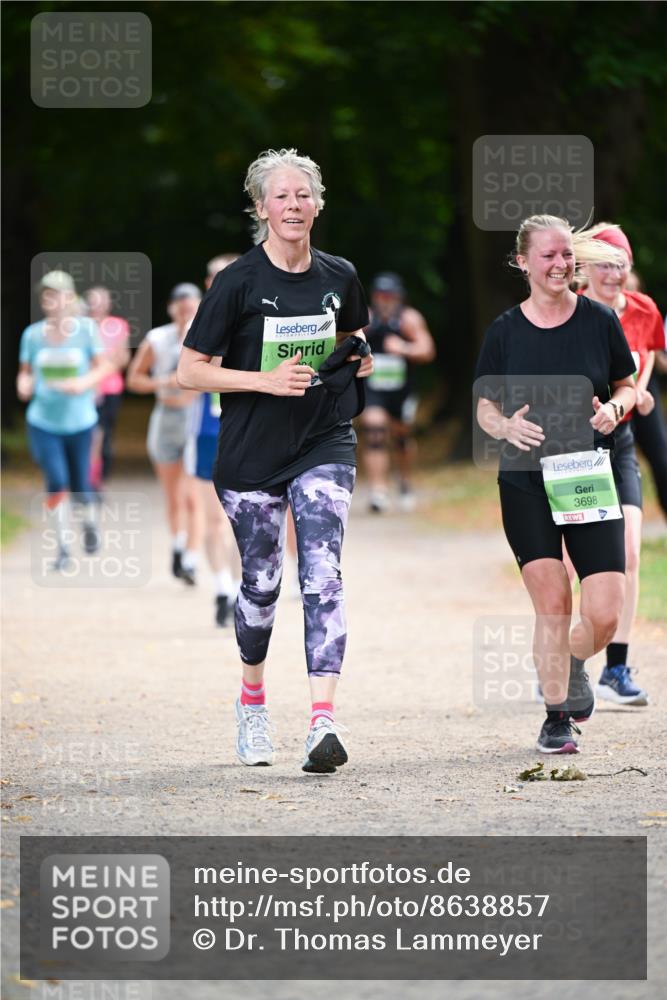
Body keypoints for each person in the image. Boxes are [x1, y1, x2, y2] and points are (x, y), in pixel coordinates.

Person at [177, 147, 372, 774]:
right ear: (261, 208)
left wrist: (356, 358)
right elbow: (188, 371)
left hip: (323, 440)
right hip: (250, 453)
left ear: (318, 204)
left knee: (322, 573)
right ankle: (253, 702)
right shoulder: (237, 282)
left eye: (303, 195)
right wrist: (264, 381)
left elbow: (350, 338)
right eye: (280, 196)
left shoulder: (340, 276)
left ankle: (322, 722)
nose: (293, 205)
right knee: (261, 585)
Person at [474, 214, 637, 755]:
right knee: (552, 601)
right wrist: (504, 426)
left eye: (566, 254)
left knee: (607, 609)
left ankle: (572, 662)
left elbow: (626, 383)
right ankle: (555, 716)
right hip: (525, 478)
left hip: (587, 474)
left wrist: (616, 408)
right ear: (523, 262)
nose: (560, 264)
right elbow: (484, 407)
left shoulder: (598, 320)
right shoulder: (504, 330)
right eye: (547, 255)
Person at [576, 224, 665, 705]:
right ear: (584, 268)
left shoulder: (644, 309)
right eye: (603, 263)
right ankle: (566, 661)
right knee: (573, 562)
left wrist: (636, 393)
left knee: (629, 553)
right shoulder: (571, 311)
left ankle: (616, 668)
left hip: (621, 441)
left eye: (620, 263)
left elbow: (645, 354)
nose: (613, 272)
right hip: (576, 449)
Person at [17, 270, 113, 569]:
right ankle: (63, 549)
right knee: (56, 481)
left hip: (80, 421)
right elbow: (25, 371)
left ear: (69, 297)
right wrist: (23, 384)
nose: (50, 298)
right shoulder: (32, 335)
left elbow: (103, 367)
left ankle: (89, 525)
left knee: (81, 484)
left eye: (56, 293)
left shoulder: (85, 330)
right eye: (46, 293)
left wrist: (83, 384)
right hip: (43, 421)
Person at [126, 284, 204, 585]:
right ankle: (177, 544)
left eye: (191, 307)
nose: (186, 313)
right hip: (166, 421)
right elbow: (134, 379)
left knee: (193, 496)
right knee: (174, 496)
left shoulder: (209, 338)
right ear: (171, 308)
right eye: (180, 307)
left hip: (195, 423)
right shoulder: (157, 339)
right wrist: (165, 382)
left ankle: (192, 559)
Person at [184, 255, 243, 626]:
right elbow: (187, 376)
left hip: (246, 431)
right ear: (209, 283)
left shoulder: (260, 315)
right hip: (206, 431)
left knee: (242, 519)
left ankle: (240, 590)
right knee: (213, 520)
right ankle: (222, 587)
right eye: (217, 276)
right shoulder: (196, 322)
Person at [360, 273, 436, 512]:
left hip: (401, 391)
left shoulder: (409, 319)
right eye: (381, 296)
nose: (385, 301)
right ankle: (378, 490)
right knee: (375, 431)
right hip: (373, 389)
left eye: (390, 296)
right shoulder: (366, 318)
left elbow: (427, 350)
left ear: (399, 297)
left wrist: (403, 348)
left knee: (401, 438)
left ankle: (404, 481)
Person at [83, 286, 130, 491]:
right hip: (84, 389)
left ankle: (97, 477)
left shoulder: (118, 325)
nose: (97, 305)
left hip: (110, 388)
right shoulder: (79, 327)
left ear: (108, 304)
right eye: (93, 301)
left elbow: (123, 357)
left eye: (101, 301)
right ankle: (87, 479)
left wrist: (100, 365)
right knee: (90, 433)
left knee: (103, 434)